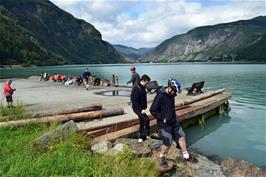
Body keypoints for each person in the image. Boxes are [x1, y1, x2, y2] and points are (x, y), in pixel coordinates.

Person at [150, 78, 190, 168]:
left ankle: (185, 152)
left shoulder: (172, 95)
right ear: (169, 88)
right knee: (168, 143)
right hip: (164, 124)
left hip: (173, 121)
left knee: (182, 136)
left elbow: (170, 108)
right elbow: (152, 110)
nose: (175, 93)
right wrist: (162, 118)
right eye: (174, 91)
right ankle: (162, 156)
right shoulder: (160, 96)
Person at [131, 74, 151, 143]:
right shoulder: (137, 88)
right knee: (146, 119)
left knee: (142, 121)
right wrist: (141, 109)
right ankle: (146, 135)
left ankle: (141, 136)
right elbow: (134, 101)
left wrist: (144, 107)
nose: (147, 83)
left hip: (142, 108)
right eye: (147, 82)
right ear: (143, 80)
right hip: (137, 108)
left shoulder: (143, 87)